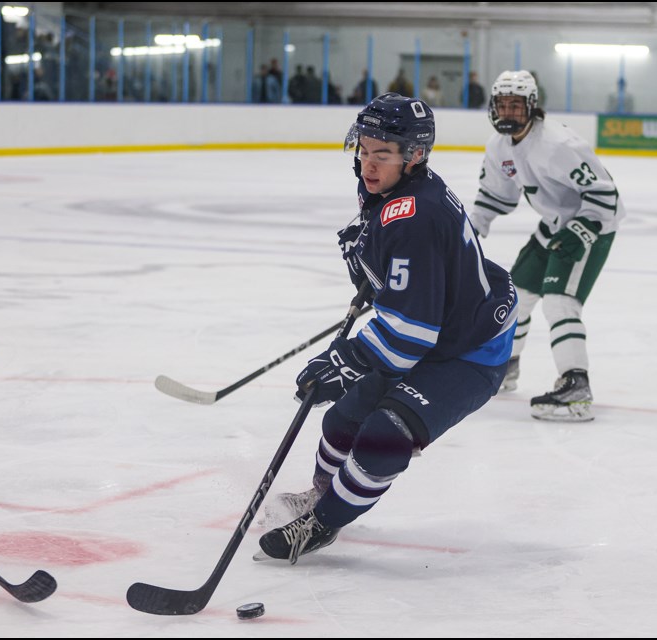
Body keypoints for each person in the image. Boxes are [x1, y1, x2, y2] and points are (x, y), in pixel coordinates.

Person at [257, 93, 518, 564]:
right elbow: (409, 285)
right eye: (365, 149)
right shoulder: (386, 189)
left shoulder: (415, 216)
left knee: (385, 434)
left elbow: (410, 335)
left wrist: (345, 360)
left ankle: (324, 521)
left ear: (414, 156)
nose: (369, 163)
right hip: (439, 320)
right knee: (341, 420)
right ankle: (322, 494)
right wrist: (372, 268)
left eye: (383, 154)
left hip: (469, 348)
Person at [468, 70, 625, 422]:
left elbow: (606, 196)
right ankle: (503, 366)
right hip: (553, 226)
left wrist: (582, 230)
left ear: (532, 107)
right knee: (516, 296)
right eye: (502, 104)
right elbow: (494, 196)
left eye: (516, 105)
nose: (508, 112)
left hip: (592, 225)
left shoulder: (558, 145)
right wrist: (467, 233)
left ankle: (576, 385)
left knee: (559, 302)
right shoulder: (498, 147)